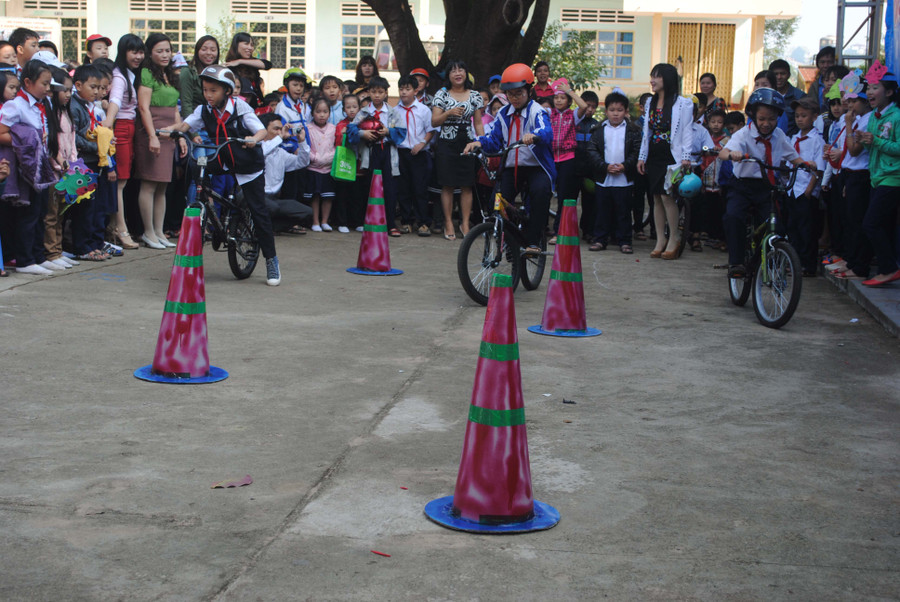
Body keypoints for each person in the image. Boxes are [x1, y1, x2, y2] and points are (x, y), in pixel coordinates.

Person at [167, 64, 281, 285]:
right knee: (195, 167)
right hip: (223, 160)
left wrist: (253, 140)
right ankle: (205, 207)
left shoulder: (241, 108)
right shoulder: (203, 110)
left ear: (227, 91)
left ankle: (271, 260)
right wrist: (163, 131)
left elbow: (261, 130)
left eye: (213, 91)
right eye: (206, 90)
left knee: (258, 212)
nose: (208, 95)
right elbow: (184, 125)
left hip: (247, 164)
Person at [463, 63, 555, 254]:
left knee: (540, 193)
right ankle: (510, 238)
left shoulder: (537, 110)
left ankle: (533, 242)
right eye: (510, 94)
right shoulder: (503, 114)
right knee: (496, 202)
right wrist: (478, 142)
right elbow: (494, 141)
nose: (515, 98)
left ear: (529, 91)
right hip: (511, 166)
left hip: (535, 167)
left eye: (519, 93)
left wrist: (534, 136)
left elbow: (547, 131)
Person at [718, 88, 809, 278]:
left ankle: (770, 258)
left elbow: (793, 156)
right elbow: (723, 153)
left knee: (777, 225)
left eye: (772, 119)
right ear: (753, 116)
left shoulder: (780, 136)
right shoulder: (743, 135)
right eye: (761, 119)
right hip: (742, 185)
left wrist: (806, 165)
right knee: (733, 216)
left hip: (767, 187)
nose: (766, 124)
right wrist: (732, 154)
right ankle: (736, 262)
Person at [0, 59, 59, 274]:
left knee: (41, 210)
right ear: (28, 82)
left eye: (49, 84)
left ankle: (37, 255)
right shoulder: (15, 106)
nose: (47, 88)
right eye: (43, 83)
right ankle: (24, 259)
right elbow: (2, 132)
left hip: (40, 164)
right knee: (28, 214)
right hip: (24, 167)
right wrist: (26, 141)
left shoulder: (43, 104)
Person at [133, 33, 186, 249]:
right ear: (150, 53)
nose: (165, 55)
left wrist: (180, 134)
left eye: (167, 50)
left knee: (163, 185)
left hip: (169, 134)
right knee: (149, 184)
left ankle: (159, 231)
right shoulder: (147, 73)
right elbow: (143, 107)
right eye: (159, 51)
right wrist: (152, 136)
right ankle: (148, 232)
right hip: (151, 131)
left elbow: (175, 108)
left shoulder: (170, 74)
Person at [637, 63, 695, 259]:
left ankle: (674, 238)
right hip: (654, 154)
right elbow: (647, 133)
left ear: (667, 79)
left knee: (667, 196)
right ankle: (660, 239)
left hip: (672, 156)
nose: (652, 80)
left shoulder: (683, 103)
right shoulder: (650, 103)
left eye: (656, 77)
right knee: (655, 197)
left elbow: (687, 131)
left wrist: (686, 157)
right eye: (651, 76)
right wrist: (642, 157)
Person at [854, 63, 900, 286]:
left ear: (889, 92)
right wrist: (861, 139)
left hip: (893, 177)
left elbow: (898, 147)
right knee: (883, 225)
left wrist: (876, 141)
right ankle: (886, 269)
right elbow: (867, 148)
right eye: (869, 88)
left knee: (871, 224)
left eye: (875, 88)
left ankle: (889, 268)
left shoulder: (897, 116)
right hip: (876, 177)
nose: (870, 92)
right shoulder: (873, 116)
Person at [431, 60, 484, 240]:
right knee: (447, 185)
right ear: (449, 76)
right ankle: (448, 222)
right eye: (453, 70)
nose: (457, 73)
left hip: (467, 142)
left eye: (461, 69)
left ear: (466, 73)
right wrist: (448, 113)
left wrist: (483, 143)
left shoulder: (475, 95)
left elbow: (478, 123)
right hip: (447, 143)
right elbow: (434, 121)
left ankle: (465, 223)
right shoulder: (441, 94)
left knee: (467, 184)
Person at [103, 33, 145, 250]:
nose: (138, 56)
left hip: (128, 127)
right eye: (133, 51)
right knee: (120, 182)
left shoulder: (129, 74)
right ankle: (121, 229)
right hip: (120, 127)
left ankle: (113, 226)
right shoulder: (120, 76)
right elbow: (115, 101)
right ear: (123, 52)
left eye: (140, 52)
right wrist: (108, 123)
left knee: (122, 181)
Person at [586, 89, 640, 254]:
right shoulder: (598, 130)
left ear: (626, 111)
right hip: (604, 178)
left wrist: (625, 166)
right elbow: (592, 150)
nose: (616, 114)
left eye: (620, 110)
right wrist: (605, 166)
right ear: (606, 111)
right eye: (612, 110)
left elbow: (637, 151)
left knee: (623, 211)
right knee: (602, 210)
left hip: (624, 179)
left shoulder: (633, 130)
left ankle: (624, 241)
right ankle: (600, 239)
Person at [829, 76, 873, 279]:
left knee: (857, 222)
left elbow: (854, 150)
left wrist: (848, 124)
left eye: (855, 101)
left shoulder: (867, 120)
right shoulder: (859, 119)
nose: (850, 104)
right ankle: (851, 260)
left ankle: (859, 265)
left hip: (861, 174)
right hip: (850, 174)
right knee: (848, 221)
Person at [69, 64, 112, 261]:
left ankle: (91, 244)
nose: (97, 92)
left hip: (94, 161)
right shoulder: (74, 106)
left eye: (99, 88)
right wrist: (97, 146)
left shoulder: (88, 105)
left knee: (94, 207)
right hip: (82, 162)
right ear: (78, 85)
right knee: (83, 207)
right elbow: (74, 136)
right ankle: (81, 247)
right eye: (92, 87)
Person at [348, 76, 401, 234]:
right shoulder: (363, 112)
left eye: (380, 92)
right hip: (371, 152)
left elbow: (401, 133)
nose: (377, 95)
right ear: (368, 92)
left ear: (386, 93)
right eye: (373, 91)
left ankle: (390, 223)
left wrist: (388, 132)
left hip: (387, 152)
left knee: (389, 188)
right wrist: (363, 133)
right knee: (370, 186)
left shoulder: (392, 112)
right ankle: (369, 221)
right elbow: (351, 130)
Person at [786, 96, 826, 276]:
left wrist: (810, 190)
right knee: (793, 228)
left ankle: (808, 265)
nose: (800, 119)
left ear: (815, 117)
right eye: (797, 116)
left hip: (805, 191)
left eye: (804, 115)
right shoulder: (793, 137)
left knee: (807, 230)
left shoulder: (817, 140)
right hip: (792, 189)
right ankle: (794, 262)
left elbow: (819, 168)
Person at [393, 75, 435, 235]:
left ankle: (423, 222)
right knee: (403, 189)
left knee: (420, 188)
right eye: (401, 89)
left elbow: (431, 130)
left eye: (407, 89)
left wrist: (422, 143)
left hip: (419, 154)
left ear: (415, 90)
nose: (404, 92)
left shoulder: (423, 110)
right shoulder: (395, 111)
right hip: (401, 153)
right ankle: (406, 221)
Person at [44, 68, 78, 268]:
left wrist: (72, 164)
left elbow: (71, 141)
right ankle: (51, 253)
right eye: (64, 90)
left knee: (60, 213)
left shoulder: (67, 113)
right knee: (51, 214)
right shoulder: (50, 114)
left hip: (67, 170)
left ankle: (57, 250)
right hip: (54, 171)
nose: (67, 94)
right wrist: (61, 165)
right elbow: (51, 145)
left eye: (70, 90)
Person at [548, 78, 588, 239]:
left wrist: (569, 90)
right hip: (551, 159)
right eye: (556, 97)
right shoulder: (549, 115)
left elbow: (584, 106)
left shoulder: (572, 116)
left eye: (563, 97)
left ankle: (560, 232)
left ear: (569, 100)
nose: (559, 100)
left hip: (567, 159)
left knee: (564, 197)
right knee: (546, 194)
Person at [259, 112, 313, 232]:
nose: (280, 132)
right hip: (254, 196)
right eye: (276, 129)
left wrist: (302, 142)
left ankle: (271, 227)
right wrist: (281, 137)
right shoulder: (257, 147)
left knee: (307, 212)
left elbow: (302, 162)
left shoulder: (281, 153)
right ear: (263, 130)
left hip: (273, 199)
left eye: (281, 129)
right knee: (272, 208)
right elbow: (263, 152)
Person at [305, 97, 337, 232]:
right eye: (318, 111)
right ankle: (315, 221)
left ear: (329, 113)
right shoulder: (308, 128)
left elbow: (337, 146)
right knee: (315, 196)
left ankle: (325, 221)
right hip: (313, 167)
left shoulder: (333, 129)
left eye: (325, 111)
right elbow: (305, 146)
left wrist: (330, 158)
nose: (322, 114)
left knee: (328, 196)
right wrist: (315, 158)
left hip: (328, 168)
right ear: (312, 113)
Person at [333, 93, 361, 232]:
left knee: (358, 195)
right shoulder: (341, 125)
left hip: (360, 166)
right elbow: (338, 142)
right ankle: (342, 222)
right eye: (348, 107)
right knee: (343, 194)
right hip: (345, 165)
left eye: (354, 107)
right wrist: (344, 133)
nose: (351, 110)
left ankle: (357, 221)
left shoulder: (364, 123)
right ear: (343, 109)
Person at [573, 90, 599, 238]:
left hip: (590, 171)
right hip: (574, 169)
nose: (590, 109)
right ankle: (568, 229)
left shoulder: (597, 126)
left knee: (589, 203)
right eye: (587, 105)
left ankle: (588, 231)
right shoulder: (573, 121)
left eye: (593, 107)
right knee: (570, 201)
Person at [223, 32, 271, 109]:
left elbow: (267, 65)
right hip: (240, 108)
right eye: (246, 44)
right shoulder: (230, 67)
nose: (250, 48)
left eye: (252, 45)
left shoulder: (252, 63)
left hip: (257, 108)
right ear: (236, 45)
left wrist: (240, 61)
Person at [180, 35, 219, 118]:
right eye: (204, 49)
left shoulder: (219, 73)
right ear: (197, 51)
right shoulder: (188, 71)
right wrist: (190, 127)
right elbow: (186, 104)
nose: (209, 53)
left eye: (213, 50)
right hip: (195, 122)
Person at [769, 59, 803, 135]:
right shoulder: (766, 96)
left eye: (782, 73)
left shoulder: (799, 97)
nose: (779, 77)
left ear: (789, 75)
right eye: (776, 74)